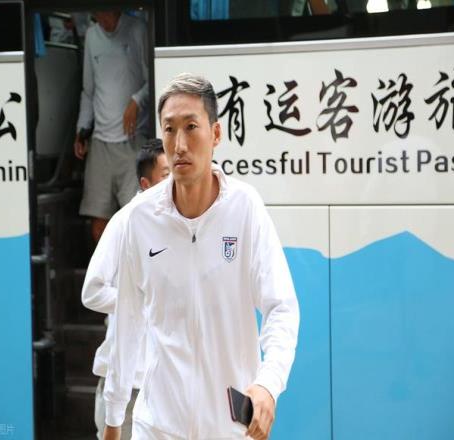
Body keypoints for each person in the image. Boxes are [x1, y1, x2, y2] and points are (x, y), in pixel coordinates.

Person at [103, 73, 299, 440]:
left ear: (216, 134)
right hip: (157, 427)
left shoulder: (245, 208)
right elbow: (127, 322)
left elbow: (281, 307)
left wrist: (269, 384)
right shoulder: (140, 218)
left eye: (191, 127)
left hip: (228, 429)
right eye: (169, 129)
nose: (179, 145)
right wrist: (113, 421)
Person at [82, 140, 169, 440]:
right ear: (145, 184)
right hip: (127, 384)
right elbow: (92, 291)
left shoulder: (178, 223)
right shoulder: (124, 222)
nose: (175, 180)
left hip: (164, 382)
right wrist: (137, 300)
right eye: (165, 175)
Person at [74, 10, 149, 242]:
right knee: (99, 225)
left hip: (133, 140)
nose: (103, 21)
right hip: (100, 142)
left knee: (136, 219)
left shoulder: (137, 29)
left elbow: (154, 78)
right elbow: (88, 91)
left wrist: (136, 101)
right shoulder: (92, 36)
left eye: (106, 14)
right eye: (97, 15)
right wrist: (82, 130)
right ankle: (105, 267)